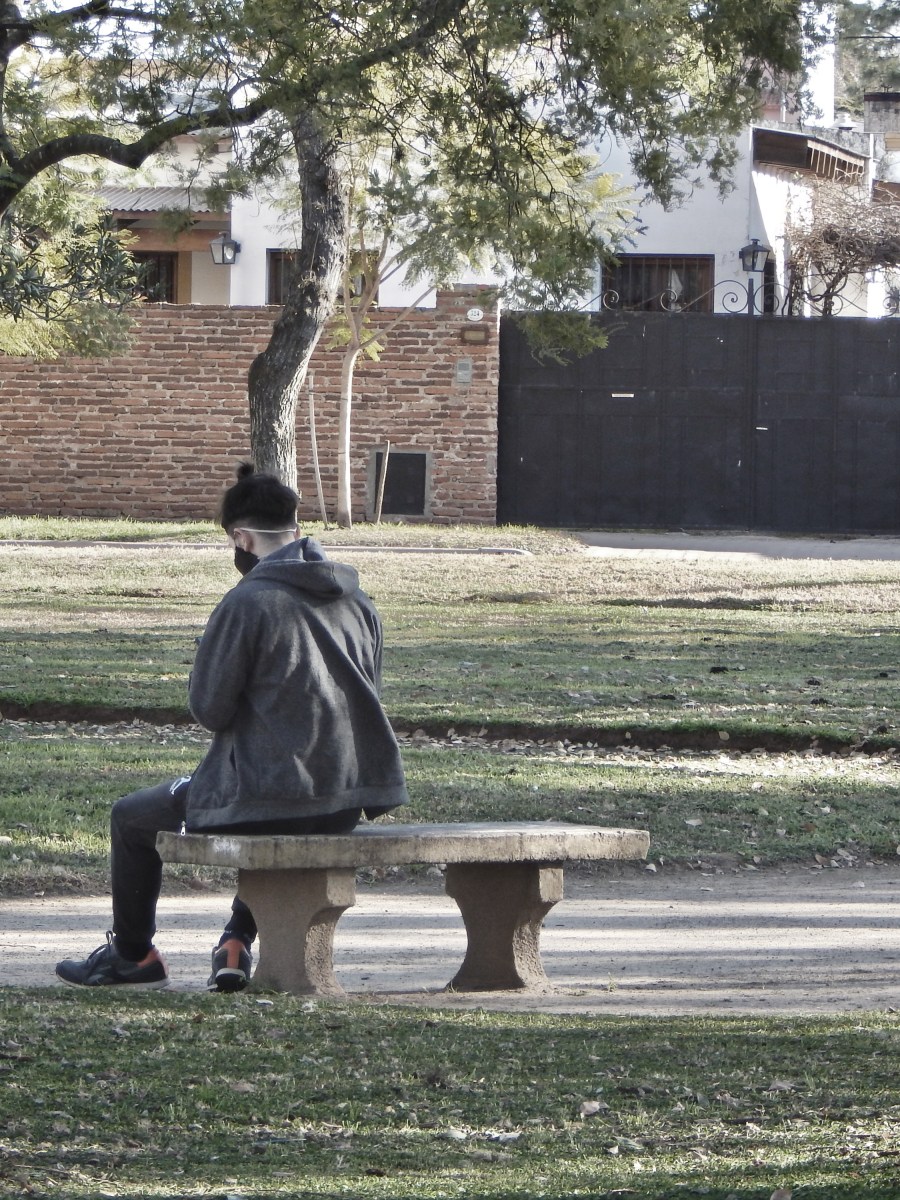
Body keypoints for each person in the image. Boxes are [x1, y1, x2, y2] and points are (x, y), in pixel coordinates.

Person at [56, 464, 408, 991]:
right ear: (295, 528)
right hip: (345, 798)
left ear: (241, 538)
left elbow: (210, 710)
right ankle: (236, 938)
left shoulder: (249, 602)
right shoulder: (359, 603)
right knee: (281, 805)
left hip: (270, 794)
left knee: (133, 817)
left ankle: (133, 956)